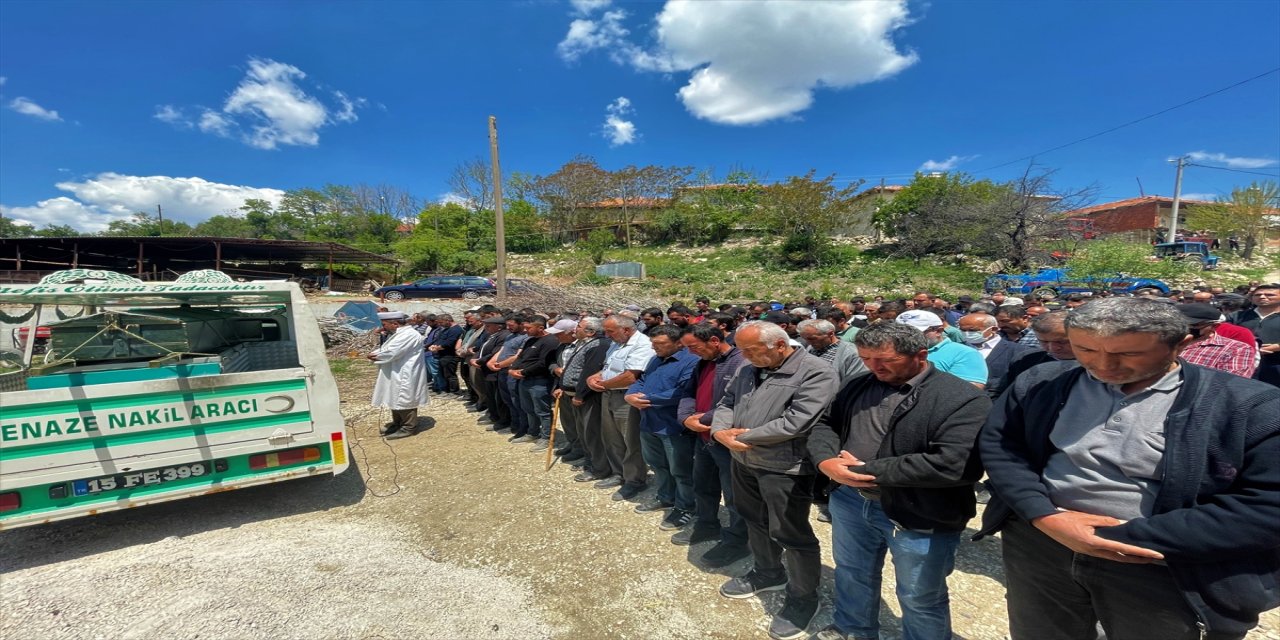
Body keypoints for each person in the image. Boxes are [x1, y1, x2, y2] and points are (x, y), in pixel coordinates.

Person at [979, 297, 1280, 640]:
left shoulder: (1251, 407)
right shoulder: (1042, 382)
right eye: (1086, 349)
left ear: (1182, 344)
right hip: (1041, 545)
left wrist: (1114, 537)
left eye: (1129, 354)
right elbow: (1002, 447)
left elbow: (1266, 507)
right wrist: (1043, 516)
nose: (1104, 365)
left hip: (1161, 564)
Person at [809, 322, 990, 640]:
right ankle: (853, 629)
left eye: (884, 360)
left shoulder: (961, 398)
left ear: (920, 354)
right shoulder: (859, 384)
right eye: (865, 358)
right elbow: (826, 424)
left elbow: (955, 464)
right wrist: (826, 461)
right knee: (852, 573)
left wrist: (866, 470)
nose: (873, 367)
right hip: (851, 501)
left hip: (919, 512)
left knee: (920, 596)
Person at [711, 321, 836, 640]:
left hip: (785, 466)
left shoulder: (815, 371)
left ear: (781, 345)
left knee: (790, 532)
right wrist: (721, 432)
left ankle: (803, 596)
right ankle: (767, 572)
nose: (746, 356)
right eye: (742, 350)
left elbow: (797, 421)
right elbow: (726, 403)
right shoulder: (746, 368)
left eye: (753, 350)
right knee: (753, 519)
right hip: (744, 460)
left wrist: (746, 436)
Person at [674, 322, 751, 567]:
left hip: (725, 440)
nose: (690, 352)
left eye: (694, 347)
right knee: (703, 485)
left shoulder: (741, 363)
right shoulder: (703, 363)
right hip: (703, 438)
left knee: (734, 495)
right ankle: (707, 524)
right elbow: (688, 393)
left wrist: (703, 419)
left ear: (715, 341)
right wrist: (686, 418)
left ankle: (737, 541)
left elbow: (738, 401)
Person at [626, 325, 699, 530]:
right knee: (658, 465)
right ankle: (666, 497)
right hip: (649, 423)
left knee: (681, 470)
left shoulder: (691, 361)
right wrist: (630, 395)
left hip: (673, 426)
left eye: (660, 344)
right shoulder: (655, 359)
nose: (654, 347)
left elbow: (682, 392)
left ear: (678, 343)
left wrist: (647, 399)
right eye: (652, 343)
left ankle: (686, 507)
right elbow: (640, 380)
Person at [586, 315, 656, 500]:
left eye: (610, 331)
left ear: (625, 329)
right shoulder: (617, 343)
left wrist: (603, 384)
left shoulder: (642, 344)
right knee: (611, 437)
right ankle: (619, 473)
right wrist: (594, 377)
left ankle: (635, 479)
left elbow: (631, 376)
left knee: (630, 440)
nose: (607, 335)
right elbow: (609, 367)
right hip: (609, 394)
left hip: (626, 397)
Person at [367, 311, 430, 439]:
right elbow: (386, 348)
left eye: (385, 324)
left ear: (394, 323)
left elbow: (393, 351)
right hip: (395, 370)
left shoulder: (408, 335)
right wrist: (376, 353)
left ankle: (408, 426)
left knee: (404, 397)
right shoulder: (399, 334)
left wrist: (375, 356)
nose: (383, 327)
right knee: (393, 395)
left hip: (405, 372)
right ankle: (398, 423)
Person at [510, 316, 567, 452]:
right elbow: (521, 357)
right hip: (525, 380)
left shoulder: (550, 341)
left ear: (540, 328)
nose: (525, 330)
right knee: (528, 408)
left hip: (539, 381)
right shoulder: (530, 340)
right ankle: (532, 432)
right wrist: (513, 369)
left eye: (529, 328)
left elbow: (543, 363)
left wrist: (524, 372)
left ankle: (546, 437)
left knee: (542, 410)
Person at [895, 310, 988, 389]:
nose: (904, 338)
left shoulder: (965, 354)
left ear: (939, 331)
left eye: (913, 333)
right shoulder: (891, 351)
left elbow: (967, 392)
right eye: (899, 333)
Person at [957, 312, 1034, 398]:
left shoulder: (1018, 351)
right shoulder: (955, 348)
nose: (967, 334)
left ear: (993, 329)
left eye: (972, 330)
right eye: (963, 330)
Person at [1176, 304, 1256, 378]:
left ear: (1214, 326)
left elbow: (1231, 383)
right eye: (1178, 323)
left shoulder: (1236, 349)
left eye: (1194, 325)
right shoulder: (1165, 341)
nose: (1185, 327)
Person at [1230, 283, 1280, 386]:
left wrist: (1276, 347)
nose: (1262, 297)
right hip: (1242, 364)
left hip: (1275, 364)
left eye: (1269, 295)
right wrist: (1250, 349)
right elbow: (1222, 335)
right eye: (1257, 295)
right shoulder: (1237, 316)